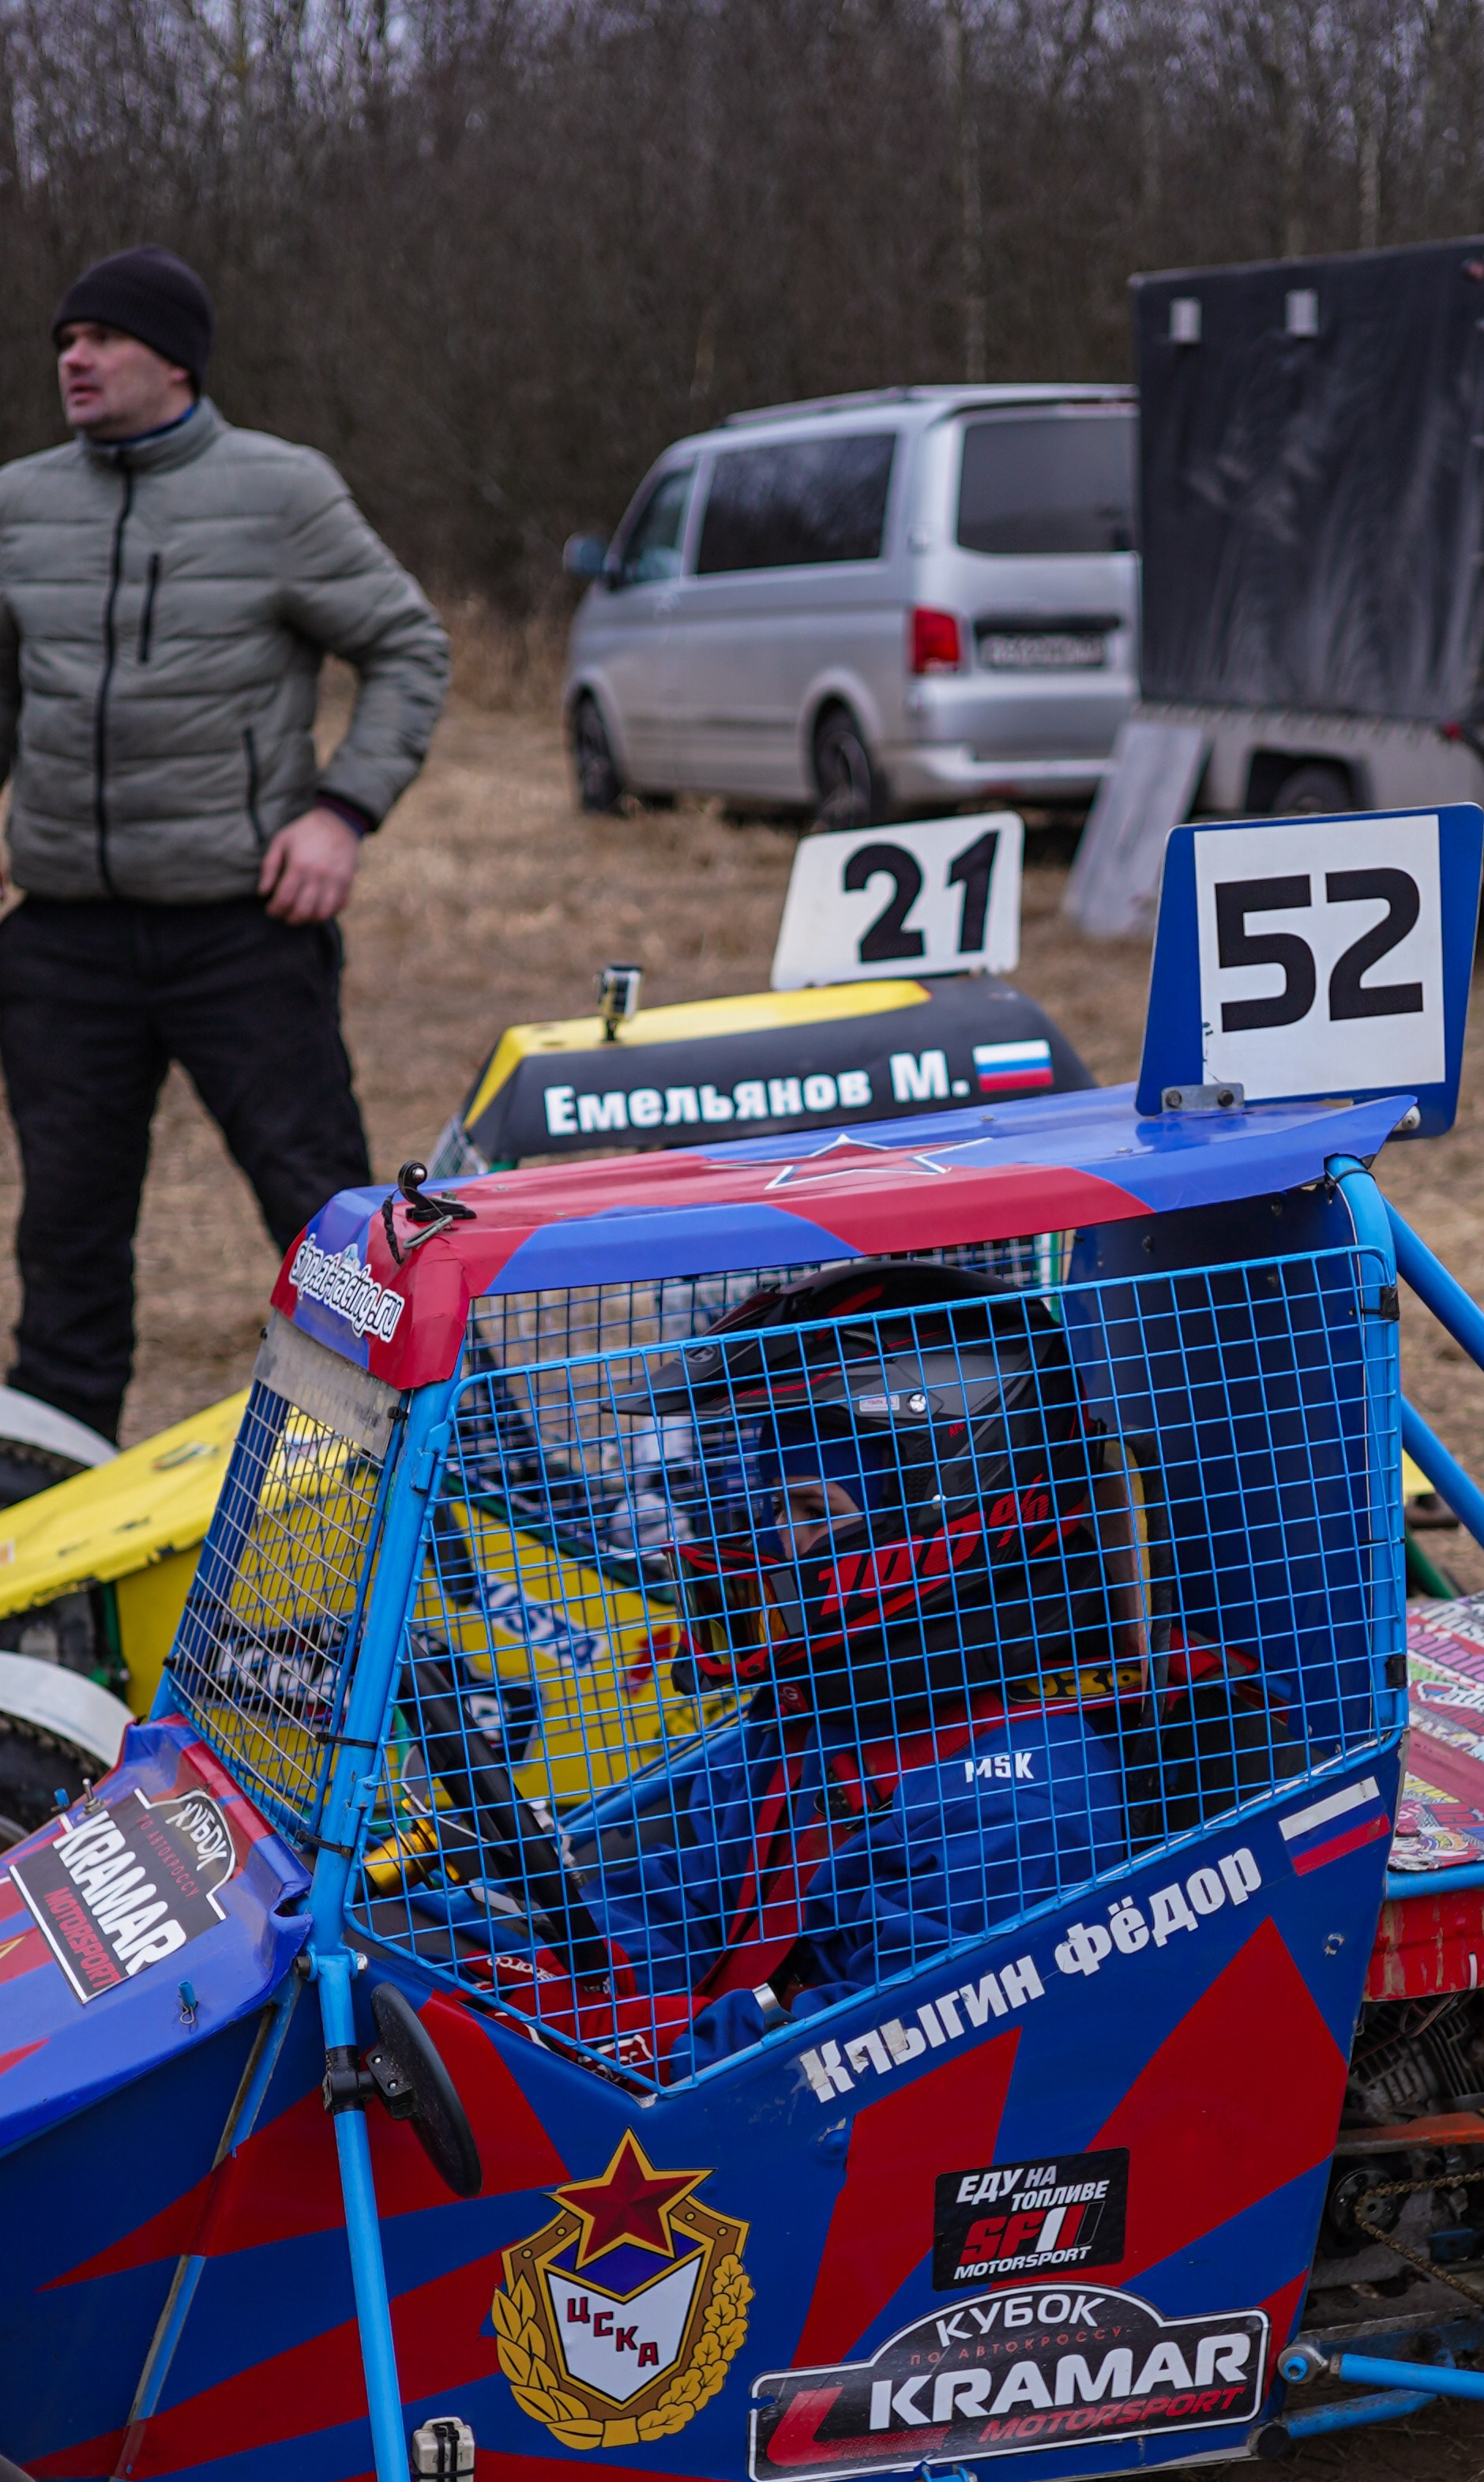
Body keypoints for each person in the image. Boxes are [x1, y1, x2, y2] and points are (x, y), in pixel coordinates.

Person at [415, 1260, 1140, 2082]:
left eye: (811, 1513)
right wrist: (490, 1954)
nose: (773, 1548)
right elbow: (679, 1911)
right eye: (772, 1511)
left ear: (948, 1526)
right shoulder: (813, 1717)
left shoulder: (1016, 1806)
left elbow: (858, 2070)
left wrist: (623, 2033)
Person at [0, 244, 449, 1442]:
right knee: (65, 1244)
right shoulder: (20, 504)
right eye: (62, 343)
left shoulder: (281, 490)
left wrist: (341, 810)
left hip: (242, 933)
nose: (74, 360)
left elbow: (408, 647)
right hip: (62, 944)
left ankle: (441, 1502)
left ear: (177, 359)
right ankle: (53, 1553)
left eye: (99, 338)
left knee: (332, 1229)